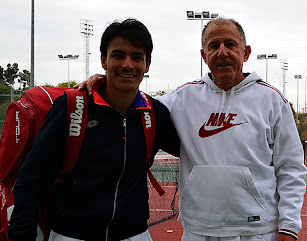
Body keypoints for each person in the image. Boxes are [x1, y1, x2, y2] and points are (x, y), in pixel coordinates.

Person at [78, 17, 307, 241]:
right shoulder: (182, 98)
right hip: (198, 230)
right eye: (213, 46)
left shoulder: (273, 100)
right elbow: (134, 104)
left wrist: (289, 228)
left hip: (257, 230)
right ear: (204, 56)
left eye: (230, 44)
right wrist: (107, 83)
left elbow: (291, 169)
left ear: (245, 52)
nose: (222, 52)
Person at [8, 18, 179, 241]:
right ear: (103, 60)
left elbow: (197, 147)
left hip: (135, 235)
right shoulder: (72, 107)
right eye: (118, 55)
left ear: (147, 65)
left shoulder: (155, 113)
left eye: (136, 57)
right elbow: (32, 177)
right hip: (72, 235)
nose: (127, 64)